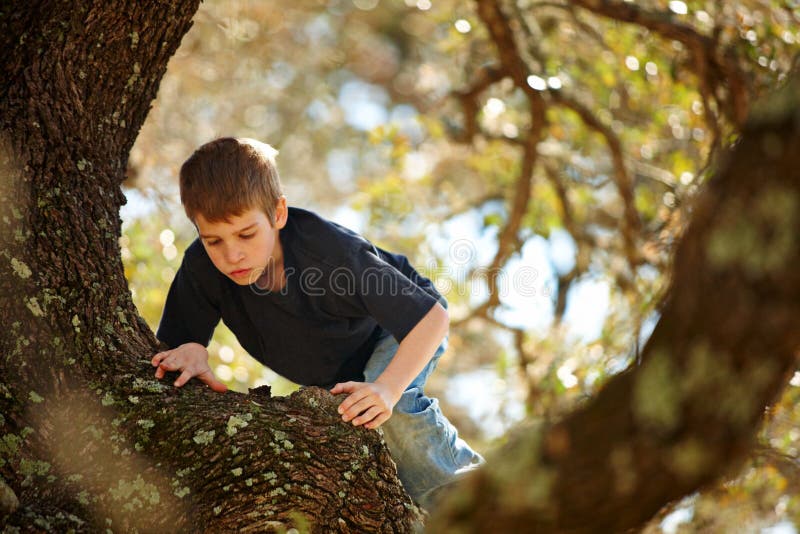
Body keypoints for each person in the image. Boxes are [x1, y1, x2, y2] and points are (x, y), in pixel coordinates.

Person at [152, 137, 483, 508]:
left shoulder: (329, 254)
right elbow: (179, 343)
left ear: (278, 214)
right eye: (213, 240)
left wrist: (388, 389)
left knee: (394, 410)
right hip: (334, 372)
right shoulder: (202, 267)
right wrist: (193, 350)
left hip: (396, 330)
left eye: (246, 234)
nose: (232, 254)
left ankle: (478, 506)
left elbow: (430, 318)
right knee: (361, 444)